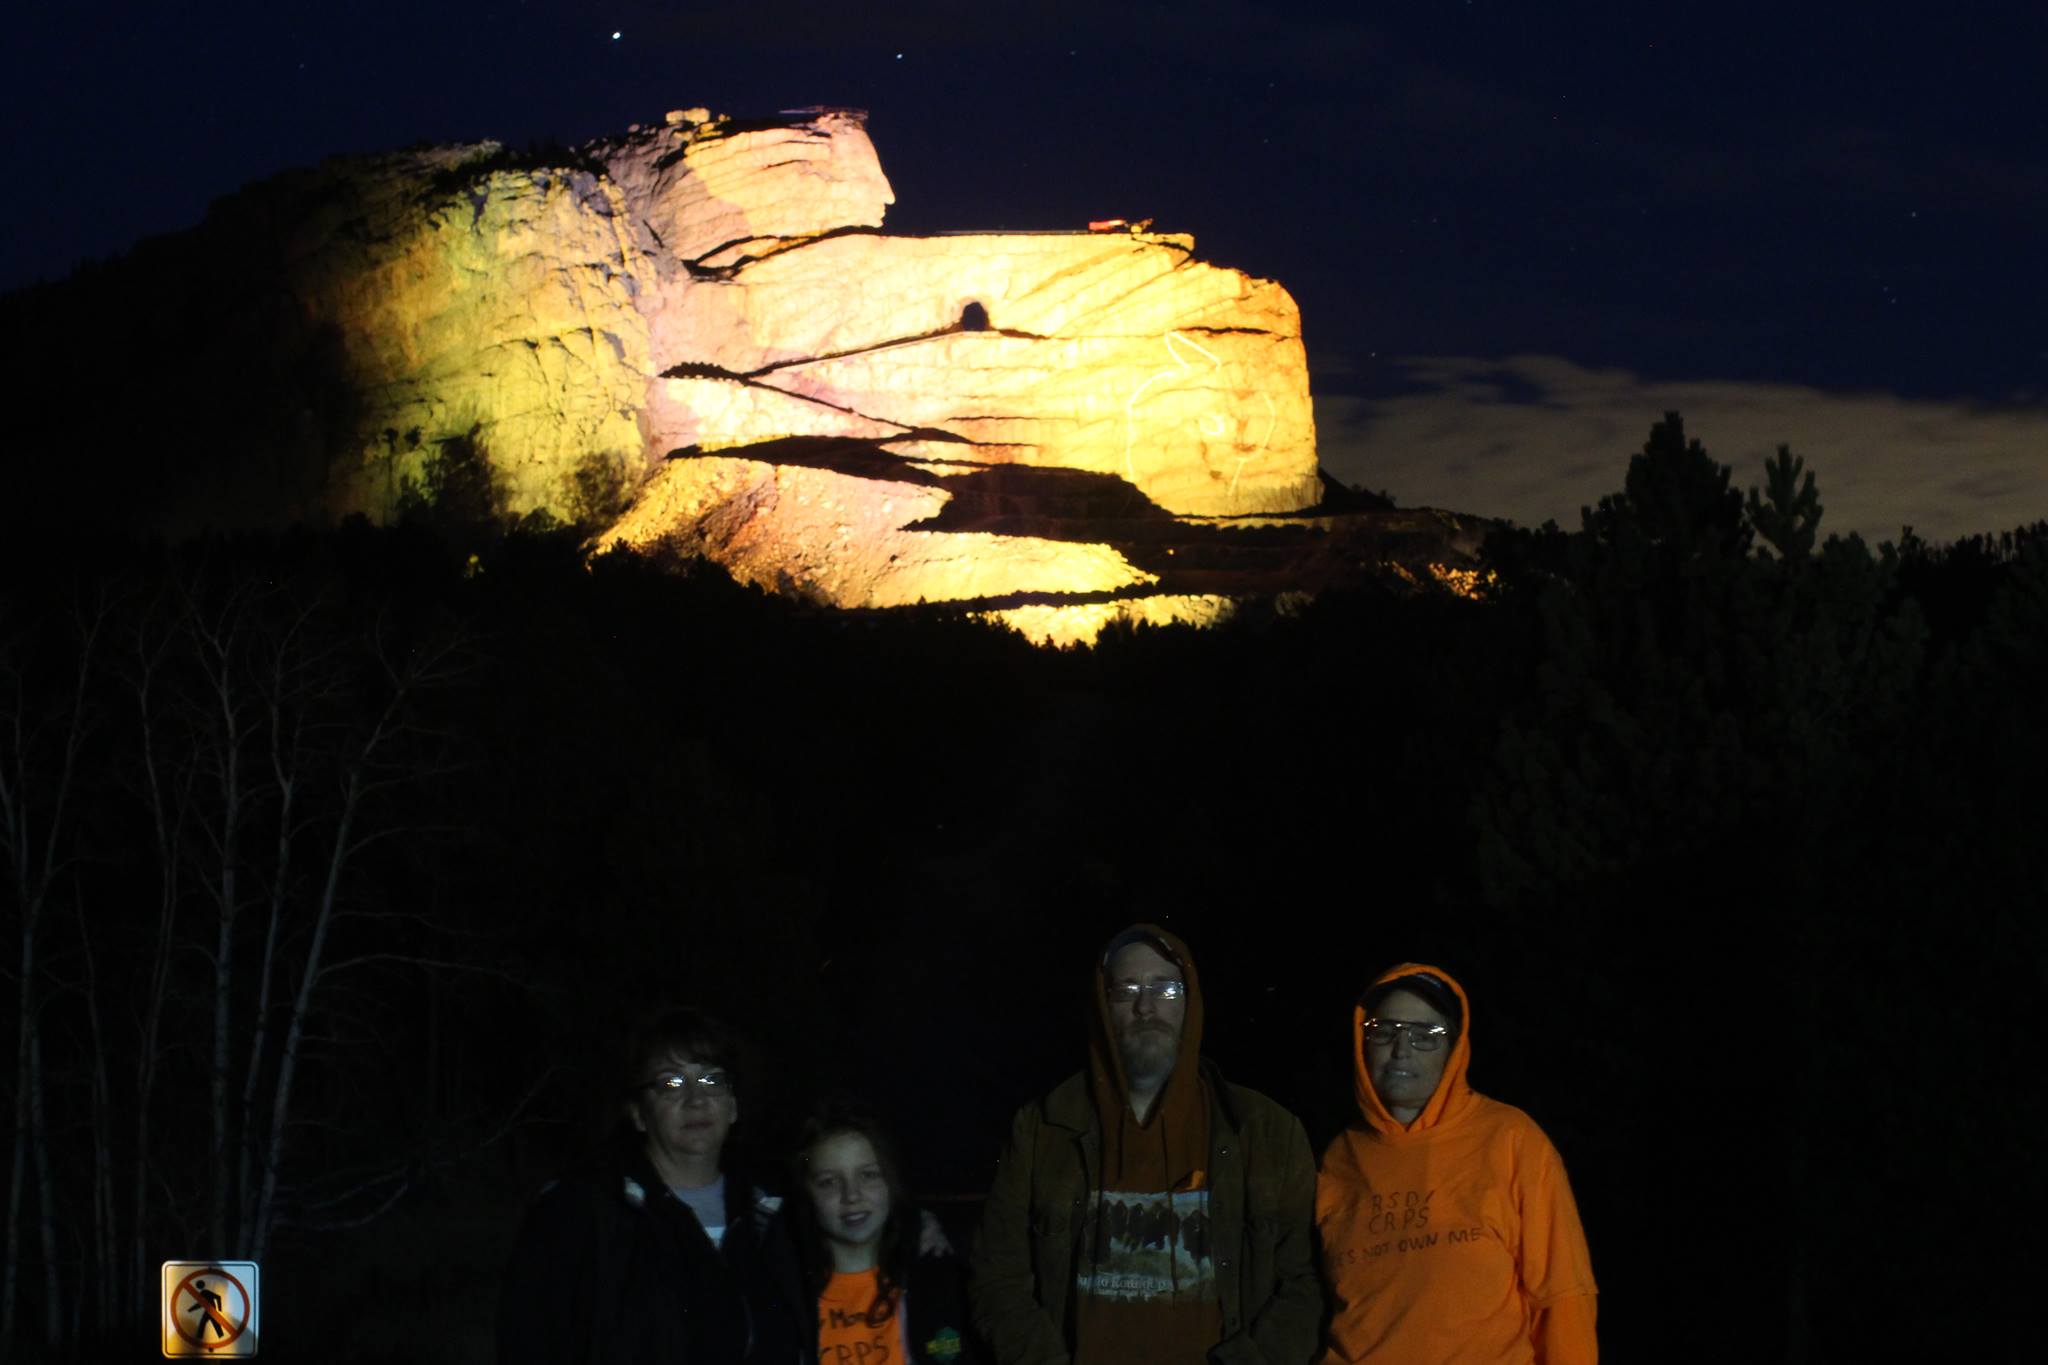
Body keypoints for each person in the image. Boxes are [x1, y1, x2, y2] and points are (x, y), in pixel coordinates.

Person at [969, 924, 1321, 1365]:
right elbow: (998, 1278)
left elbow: (1304, 1284)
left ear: (1191, 1002)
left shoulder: (1267, 1131)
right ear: (1102, 1005)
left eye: (1166, 989)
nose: (1145, 1005)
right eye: (1126, 989)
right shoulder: (1041, 1129)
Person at [1316, 965, 1597, 1364]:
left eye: (1424, 1036)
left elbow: (1563, 1293)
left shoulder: (1510, 1138)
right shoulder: (1339, 1156)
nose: (1401, 1048)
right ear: (1363, 1042)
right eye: (1385, 1030)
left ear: (1455, 1048)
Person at [497, 1008, 804, 1365]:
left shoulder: (779, 1210)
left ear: (733, 1104)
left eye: (712, 1080)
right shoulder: (579, 1214)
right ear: (639, 1113)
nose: (696, 1099)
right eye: (671, 1083)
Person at [790, 1100, 979, 1364]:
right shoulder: (786, 1292)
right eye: (829, 1182)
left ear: (891, 1180)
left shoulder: (938, 1282)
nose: (852, 1195)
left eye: (868, 1175)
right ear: (807, 1192)